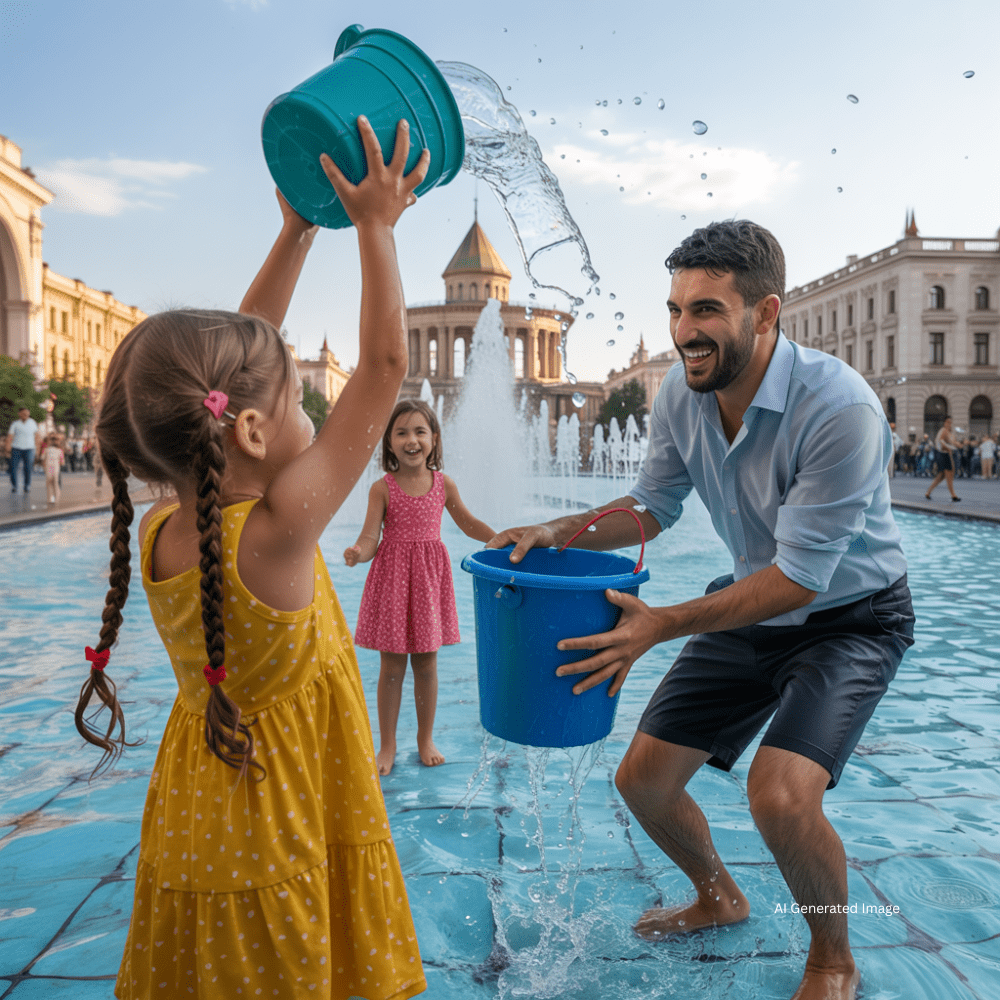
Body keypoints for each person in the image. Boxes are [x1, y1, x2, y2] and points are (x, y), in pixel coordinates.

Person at [489, 220, 914, 1000]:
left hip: (849, 619)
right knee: (643, 783)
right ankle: (720, 894)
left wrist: (659, 626)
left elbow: (800, 580)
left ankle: (832, 954)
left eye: (707, 310)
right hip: (750, 602)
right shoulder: (685, 401)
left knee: (780, 795)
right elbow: (652, 506)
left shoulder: (840, 407)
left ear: (765, 312)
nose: (686, 331)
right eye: (677, 309)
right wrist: (561, 531)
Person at [73, 117, 431, 1000]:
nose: (317, 410)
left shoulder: (166, 527)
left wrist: (297, 229)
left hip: (199, 801)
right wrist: (377, 226)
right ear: (253, 430)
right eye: (301, 399)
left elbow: (228, 365)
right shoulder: (278, 532)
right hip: (279, 810)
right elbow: (385, 367)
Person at [344, 399, 494, 776]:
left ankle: (425, 739)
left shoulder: (443, 485)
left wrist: (501, 540)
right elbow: (370, 538)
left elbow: (468, 523)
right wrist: (357, 553)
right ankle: (388, 745)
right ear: (389, 443)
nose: (411, 440)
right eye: (402, 432)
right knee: (391, 667)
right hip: (393, 581)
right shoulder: (382, 488)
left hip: (427, 582)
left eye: (420, 431)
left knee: (426, 664)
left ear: (434, 438)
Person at [5, 405, 40, 493]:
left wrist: (38, 449)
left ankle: (27, 485)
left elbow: (37, 436)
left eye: (27, 413)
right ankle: (14, 485)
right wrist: (8, 446)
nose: (26, 415)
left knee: (28, 468)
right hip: (16, 448)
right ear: (19, 414)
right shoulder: (15, 424)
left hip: (29, 449)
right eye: (24, 413)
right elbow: (10, 436)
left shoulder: (33, 423)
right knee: (13, 468)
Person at [925, 415, 960, 501]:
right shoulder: (944, 430)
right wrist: (949, 448)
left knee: (941, 476)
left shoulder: (947, 431)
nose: (949, 424)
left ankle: (928, 492)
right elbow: (942, 442)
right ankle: (953, 495)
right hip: (944, 455)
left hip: (943, 455)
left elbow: (950, 442)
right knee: (949, 475)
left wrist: (956, 444)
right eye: (948, 422)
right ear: (944, 422)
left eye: (950, 422)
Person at [42, 433, 65, 503]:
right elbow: (62, 462)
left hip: (48, 469)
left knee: (49, 485)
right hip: (56, 469)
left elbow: (43, 459)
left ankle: (50, 499)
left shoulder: (45, 450)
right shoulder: (60, 451)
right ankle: (56, 499)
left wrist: (44, 467)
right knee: (55, 484)